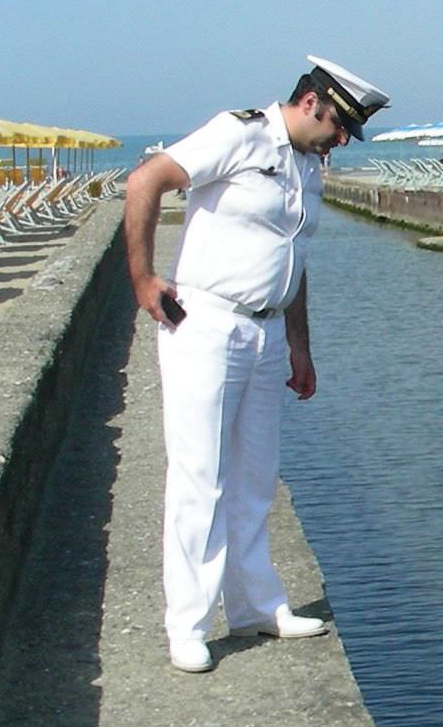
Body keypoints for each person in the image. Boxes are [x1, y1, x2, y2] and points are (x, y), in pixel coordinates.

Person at [123, 56, 390, 674]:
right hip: (208, 322)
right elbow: (146, 181)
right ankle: (187, 624)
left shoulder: (307, 168)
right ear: (311, 103)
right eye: (340, 126)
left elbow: (292, 263)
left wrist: (301, 347)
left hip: (268, 333)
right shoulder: (239, 133)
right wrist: (142, 278)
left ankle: (255, 606)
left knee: (255, 476)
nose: (343, 141)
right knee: (199, 477)